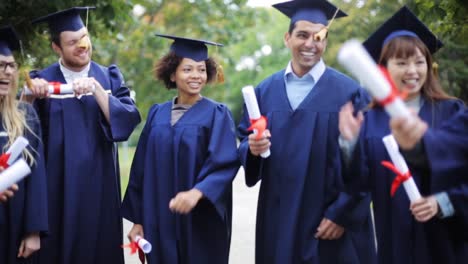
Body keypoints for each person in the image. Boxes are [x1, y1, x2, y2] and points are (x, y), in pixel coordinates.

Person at [237, 0, 376, 263]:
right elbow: (245, 140)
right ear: (287, 38)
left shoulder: (350, 94)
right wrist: (252, 149)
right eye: (302, 35)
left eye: (319, 36)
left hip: (330, 223)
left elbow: (367, 159)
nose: (310, 44)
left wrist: (343, 215)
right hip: (280, 218)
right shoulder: (264, 92)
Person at [339, 6, 468, 263]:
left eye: (419, 61)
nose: (412, 71)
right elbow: (357, 185)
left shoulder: (452, 112)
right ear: (384, 69)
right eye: (401, 62)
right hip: (394, 243)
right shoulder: (370, 120)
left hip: (446, 244)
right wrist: (349, 144)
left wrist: (443, 202)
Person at [24, 7, 141, 264]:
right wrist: (30, 96)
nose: (82, 46)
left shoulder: (107, 77)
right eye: (72, 42)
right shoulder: (42, 80)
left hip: (99, 190)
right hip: (56, 191)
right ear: (57, 47)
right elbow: (21, 130)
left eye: (84, 38)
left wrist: (97, 90)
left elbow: (127, 121)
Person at [122, 34, 239, 264]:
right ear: (172, 74)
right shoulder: (157, 113)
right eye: (187, 69)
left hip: (199, 221)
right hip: (159, 219)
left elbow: (225, 163)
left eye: (201, 69)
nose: (196, 75)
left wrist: (197, 192)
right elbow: (140, 170)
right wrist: (138, 221)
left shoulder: (218, 114)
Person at [0, 25, 48, 263]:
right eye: (0, 65)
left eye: (11, 66)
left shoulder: (25, 115)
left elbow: (37, 174)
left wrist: (34, 230)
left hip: (16, 220)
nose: (6, 72)